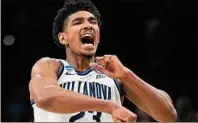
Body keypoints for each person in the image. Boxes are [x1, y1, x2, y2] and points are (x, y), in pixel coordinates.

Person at [29, 0, 177, 122]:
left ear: (98, 37)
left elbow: (168, 116)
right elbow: (44, 97)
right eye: (77, 22)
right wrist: (110, 107)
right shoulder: (50, 66)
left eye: (93, 22)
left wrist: (127, 75)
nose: (88, 25)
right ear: (63, 38)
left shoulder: (115, 77)